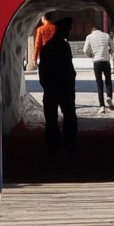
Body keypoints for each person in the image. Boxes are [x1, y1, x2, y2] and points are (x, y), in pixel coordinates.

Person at [38, 15, 79, 153]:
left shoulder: (47, 47)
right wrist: (71, 82)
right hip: (64, 87)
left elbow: (42, 69)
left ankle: (53, 145)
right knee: (69, 116)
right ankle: (70, 143)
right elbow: (68, 67)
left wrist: (46, 85)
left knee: (51, 118)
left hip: (51, 88)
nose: (69, 31)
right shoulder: (64, 46)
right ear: (63, 30)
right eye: (68, 29)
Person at [84, 22, 114, 108]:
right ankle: (109, 97)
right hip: (106, 61)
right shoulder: (106, 35)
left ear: (93, 30)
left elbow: (85, 50)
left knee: (99, 83)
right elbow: (113, 47)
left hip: (97, 62)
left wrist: (90, 55)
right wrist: (109, 52)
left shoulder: (89, 37)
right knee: (108, 81)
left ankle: (102, 105)